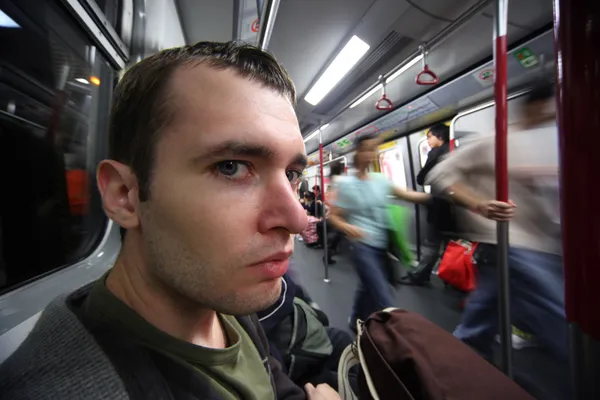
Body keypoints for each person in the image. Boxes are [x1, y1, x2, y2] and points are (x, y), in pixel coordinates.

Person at [0, 41, 340, 399]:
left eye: (291, 174)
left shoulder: (221, 297)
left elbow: (266, 379)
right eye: (232, 167)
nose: (298, 219)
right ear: (124, 195)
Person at [426, 81, 566, 362]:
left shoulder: (557, 144)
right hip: (509, 243)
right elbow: (439, 176)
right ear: (537, 106)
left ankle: (455, 364)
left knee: (481, 318)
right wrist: (478, 204)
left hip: (543, 246)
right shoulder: (495, 142)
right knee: (559, 315)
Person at [329, 135, 432, 331]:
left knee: (369, 285)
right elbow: (333, 216)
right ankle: (398, 341)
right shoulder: (344, 184)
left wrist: (437, 197)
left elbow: (408, 194)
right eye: (366, 149)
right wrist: (347, 227)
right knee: (382, 294)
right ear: (357, 153)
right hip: (361, 245)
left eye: (374, 149)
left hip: (382, 244)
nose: (370, 154)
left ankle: (355, 317)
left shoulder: (381, 180)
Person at [257, 272, 356, 391]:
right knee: (351, 381)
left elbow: (289, 286)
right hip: (289, 356)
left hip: (296, 323)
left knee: (342, 339)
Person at [400, 123, 455, 285]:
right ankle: (451, 279)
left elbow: (421, 178)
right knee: (451, 243)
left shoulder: (436, 152)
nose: (428, 141)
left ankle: (420, 275)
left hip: (439, 205)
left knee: (432, 244)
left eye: (429, 137)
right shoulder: (455, 150)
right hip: (456, 206)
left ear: (440, 136)